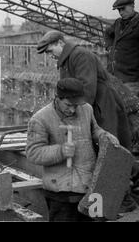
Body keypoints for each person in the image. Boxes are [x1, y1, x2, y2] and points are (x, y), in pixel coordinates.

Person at [36, 31, 139, 195]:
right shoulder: (66, 61)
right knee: (103, 144)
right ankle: (132, 175)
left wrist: (75, 115)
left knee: (107, 141)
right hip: (91, 104)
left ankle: (129, 179)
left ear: (60, 43)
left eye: (49, 51)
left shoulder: (81, 56)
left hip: (103, 103)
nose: (49, 56)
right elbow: (67, 90)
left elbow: (87, 89)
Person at [27, 78, 120, 222]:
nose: (72, 109)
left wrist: (104, 136)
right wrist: (61, 151)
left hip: (88, 185)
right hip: (61, 192)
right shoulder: (40, 119)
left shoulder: (86, 109)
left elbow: (94, 130)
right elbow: (33, 153)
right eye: (68, 105)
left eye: (76, 105)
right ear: (57, 98)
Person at [104, 0, 139, 95]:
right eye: (118, 10)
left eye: (123, 9)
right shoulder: (118, 23)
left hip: (129, 80)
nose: (121, 13)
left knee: (128, 109)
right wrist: (109, 46)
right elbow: (107, 33)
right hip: (112, 76)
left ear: (132, 6)